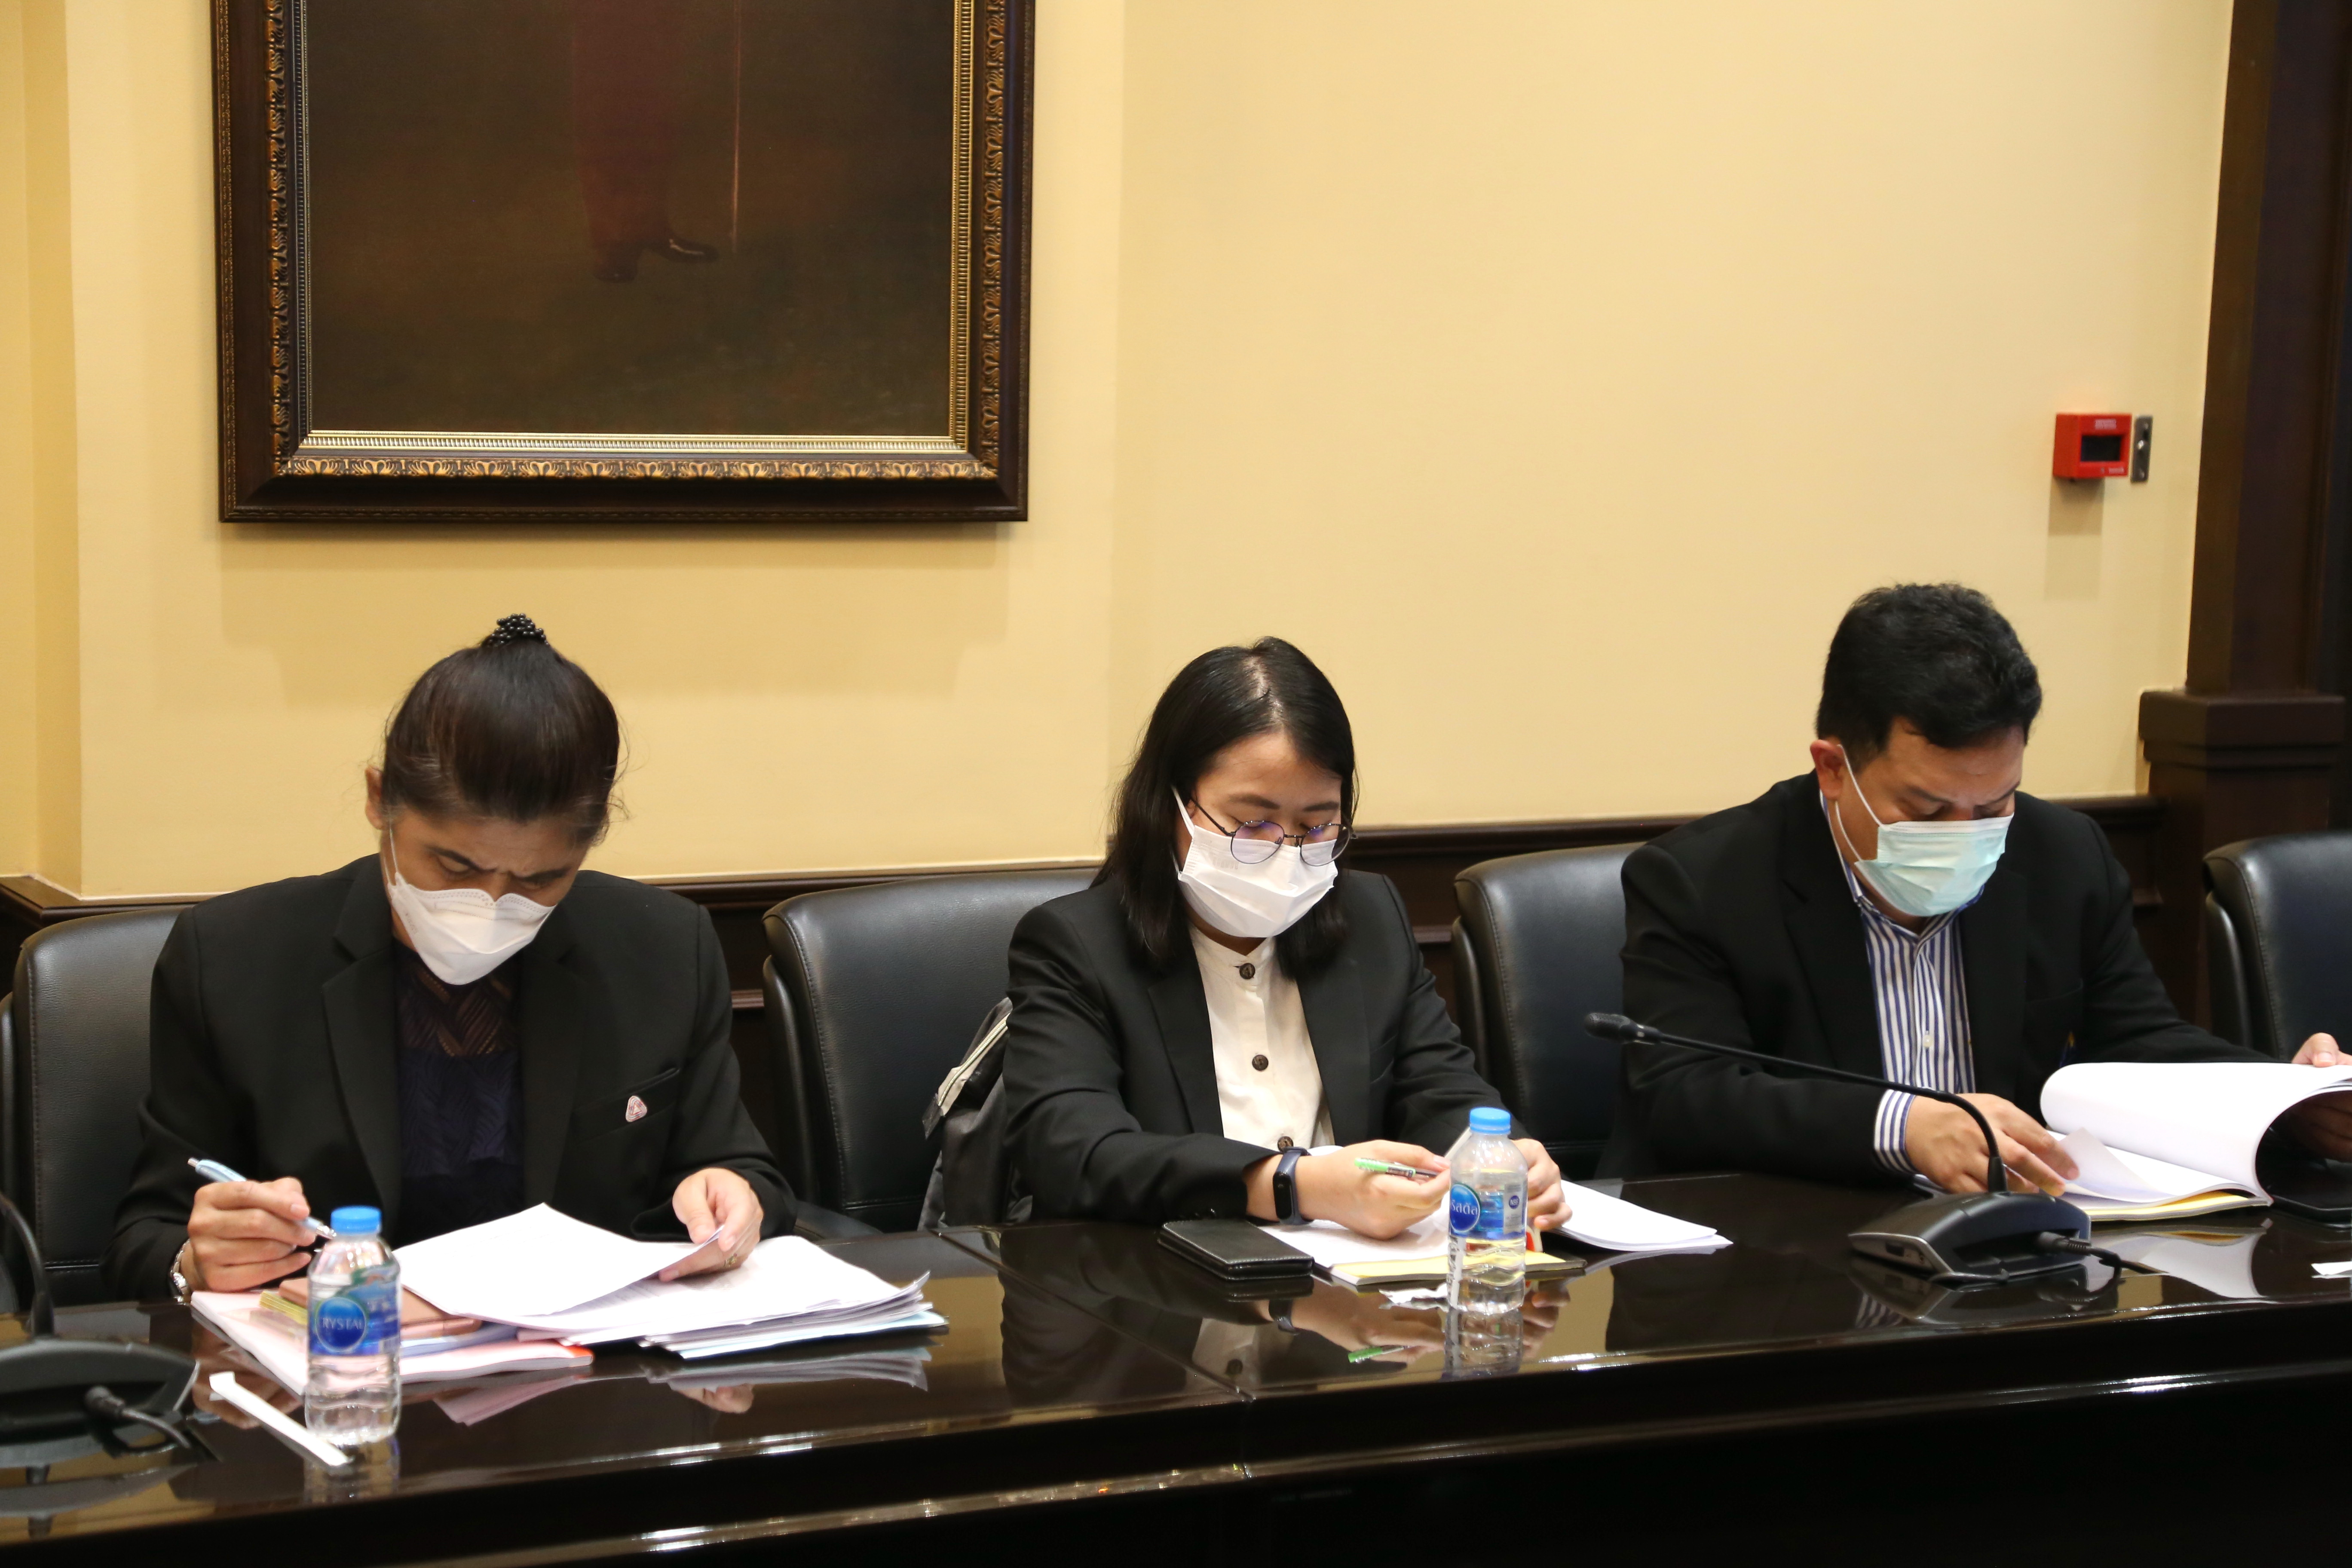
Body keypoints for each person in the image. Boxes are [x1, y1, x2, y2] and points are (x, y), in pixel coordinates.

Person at [107, 615, 791, 1303]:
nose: (491, 904)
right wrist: (195, 1261)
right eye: (455, 866)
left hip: (588, 1353)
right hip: (346, 1351)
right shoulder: (234, 959)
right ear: (379, 800)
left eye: (539, 880)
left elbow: (739, 1169)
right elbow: (144, 1240)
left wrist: (733, 1196)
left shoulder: (661, 948)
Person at [1602, 583, 2352, 1192]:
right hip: (1783, 1263)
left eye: (1993, 806)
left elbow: (2138, 1044)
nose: (1964, 833)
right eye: (1928, 809)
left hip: (2004, 1246)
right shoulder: (1702, 880)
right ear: (1833, 768)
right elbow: (1688, 1095)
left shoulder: (2063, 856)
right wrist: (1900, 1127)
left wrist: (2284, 1099)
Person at [1001, 637, 1567, 1238]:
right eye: (1252, 822)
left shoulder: (1369, 917)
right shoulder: (1077, 944)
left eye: (1317, 825)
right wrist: (1290, 1185)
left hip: (1358, 1280)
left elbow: (1438, 1088)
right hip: (1161, 1275)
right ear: (1170, 806)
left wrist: (1499, 1159)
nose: (1286, 852)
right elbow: (1073, 1153)